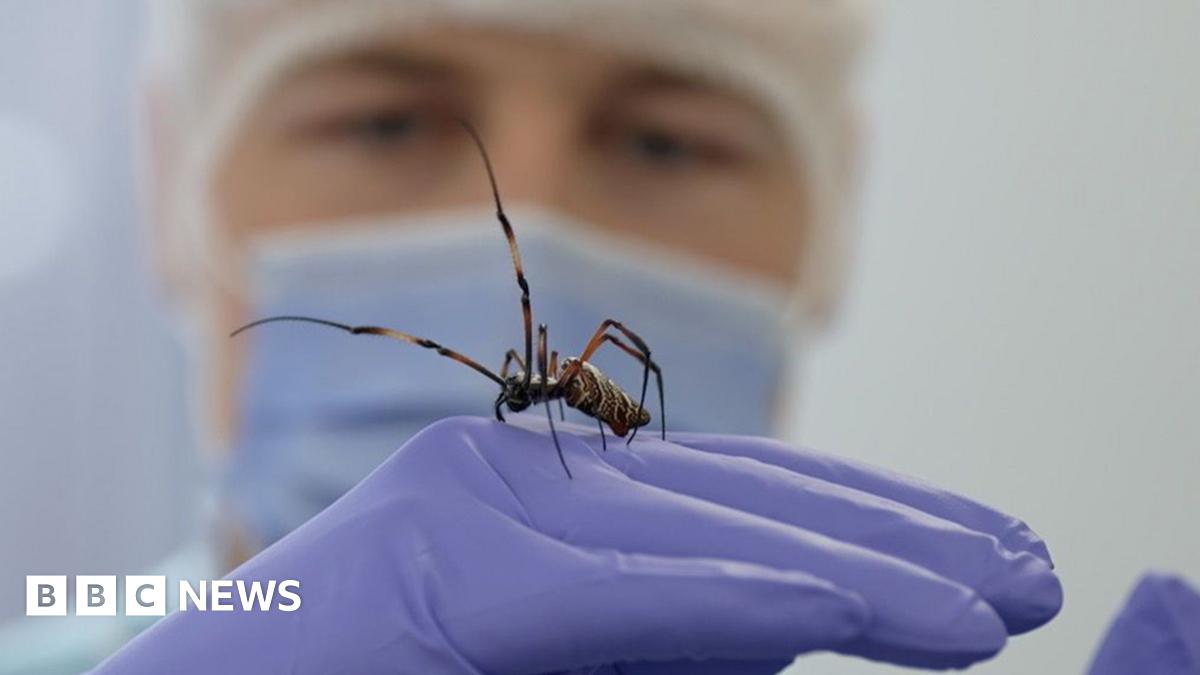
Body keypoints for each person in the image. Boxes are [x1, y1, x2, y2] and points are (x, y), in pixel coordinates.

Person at [5, 1, 1069, 673]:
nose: (542, 219)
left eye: (668, 142)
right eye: (382, 122)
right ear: (169, 187)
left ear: (836, 224)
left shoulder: (571, 359)